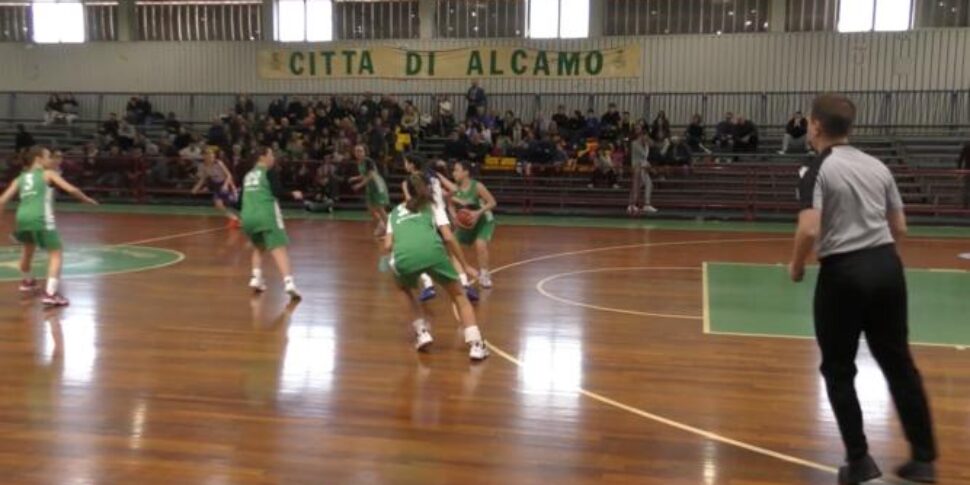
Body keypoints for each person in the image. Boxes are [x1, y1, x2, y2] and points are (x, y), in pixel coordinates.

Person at [789, 94, 937, 485]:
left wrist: (797, 264)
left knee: (838, 368)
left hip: (844, 274)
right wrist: (880, 259)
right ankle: (923, 459)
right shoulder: (877, 165)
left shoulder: (815, 168)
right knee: (899, 364)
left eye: (808, 122)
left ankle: (859, 460)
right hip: (888, 267)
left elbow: (809, 228)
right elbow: (900, 227)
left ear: (817, 126)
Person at [384, 174, 490, 361]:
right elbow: (448, 237)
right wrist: (464, 266)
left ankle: (422, 332)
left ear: (406, 190)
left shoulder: (394, 212)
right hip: (433, 253)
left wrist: (407, 245)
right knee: (458, 295)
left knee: (403, 288)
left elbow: (387, 246)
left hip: (404, 257)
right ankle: (475, 345)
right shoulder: (432, 206)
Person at [0, 146, 98, 307]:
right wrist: (85, 199)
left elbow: (2, 201)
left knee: (27, 250)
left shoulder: (20, 179)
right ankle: (50, 294)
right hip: (41, 217)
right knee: (56, 253)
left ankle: (27, 281)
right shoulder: (48, 174)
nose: (50, 160)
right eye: (47, 157)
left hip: (22, 218)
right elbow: (72, 189)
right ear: (38, 159)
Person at [402, 156, 480, 303]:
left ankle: (428, 285)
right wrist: (443, 197)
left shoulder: (409, 181)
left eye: (406, 162)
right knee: (451, 255)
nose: (405, 165)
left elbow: (408, 202)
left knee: (419, 253)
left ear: (411, 164)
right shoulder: (434, 175)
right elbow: (454, 189)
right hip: (440, 214)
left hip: (423, 219)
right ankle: (465, 284)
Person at [240, 146, 303, 300]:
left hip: (247, 216)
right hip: (265, 214)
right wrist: (293, 194)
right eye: (271, 155)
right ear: (262, 157)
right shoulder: (268, 172)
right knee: (279, 248)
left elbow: (238, 200)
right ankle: (289, 283)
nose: (273, 158)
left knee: (259, 247)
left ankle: (256, 278)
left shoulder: (248, 175)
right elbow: (277, 192)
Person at [441, 160, 497, 289]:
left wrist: (478, 212)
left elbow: (492, 202)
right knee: (454, 247)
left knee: (480, 244)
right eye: (453, 170)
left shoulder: (477, 186)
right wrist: (454, 216)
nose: (453, 173)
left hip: (484, 219)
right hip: (467, 220)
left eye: (456, 170)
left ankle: (484, 275)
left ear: (466, 172)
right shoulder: (455, 188)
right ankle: (462, 277)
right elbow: (449, 203)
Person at [191, 148, 240, 227]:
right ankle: (234, 218)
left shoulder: (218, 163)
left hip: (227, 184)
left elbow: (229, 175)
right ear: (204, 156)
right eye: (209, 156)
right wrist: (196, 188)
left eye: (212, 156)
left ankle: (241, 219)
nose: (211, 157)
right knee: (218, 205)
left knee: (233, 203)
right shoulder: (203, 166)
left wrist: (225, 185)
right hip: (217, 186)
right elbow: (203, 178)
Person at [349, 144, 390, 237]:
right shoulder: (359, 162)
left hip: (377, 185)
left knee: (380, 208)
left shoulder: (368, 161)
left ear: (364, 152)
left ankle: (389, 230)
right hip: (370, 186)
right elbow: (364, 174)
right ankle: (381, 224)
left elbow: (371, 175)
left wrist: (359, 185)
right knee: (370, 209)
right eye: (356, 151)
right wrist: (355, 178)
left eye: (360, 151)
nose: (358, 153)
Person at [628, 132, 658, 216]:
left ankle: (638, 204)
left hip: (643, 168)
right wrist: (650, 168)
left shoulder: (645, 145)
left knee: (645, 185)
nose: (646, 138)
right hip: (638, 167)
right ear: (640, 136)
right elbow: (642, 156)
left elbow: (652, 146)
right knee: (639, 185)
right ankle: (634, 205)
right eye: (645, 136)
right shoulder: (635, 144)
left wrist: (648, 143)